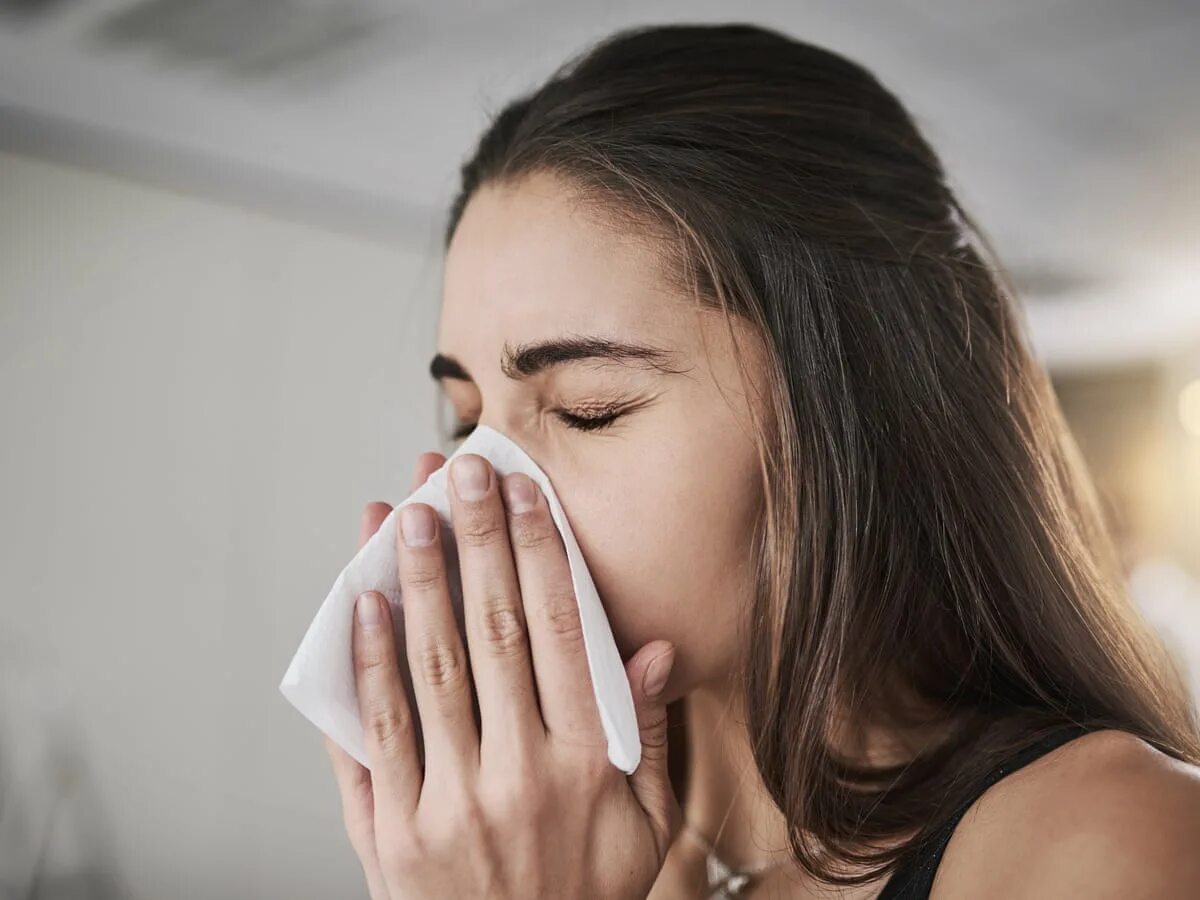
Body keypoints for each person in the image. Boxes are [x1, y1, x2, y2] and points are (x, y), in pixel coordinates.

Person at [322, 22, 1200, 899]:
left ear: (846, 407)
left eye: (590, 411)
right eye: (467, 419)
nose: (475, 495)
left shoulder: (1101, 844)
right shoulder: (599, 855)